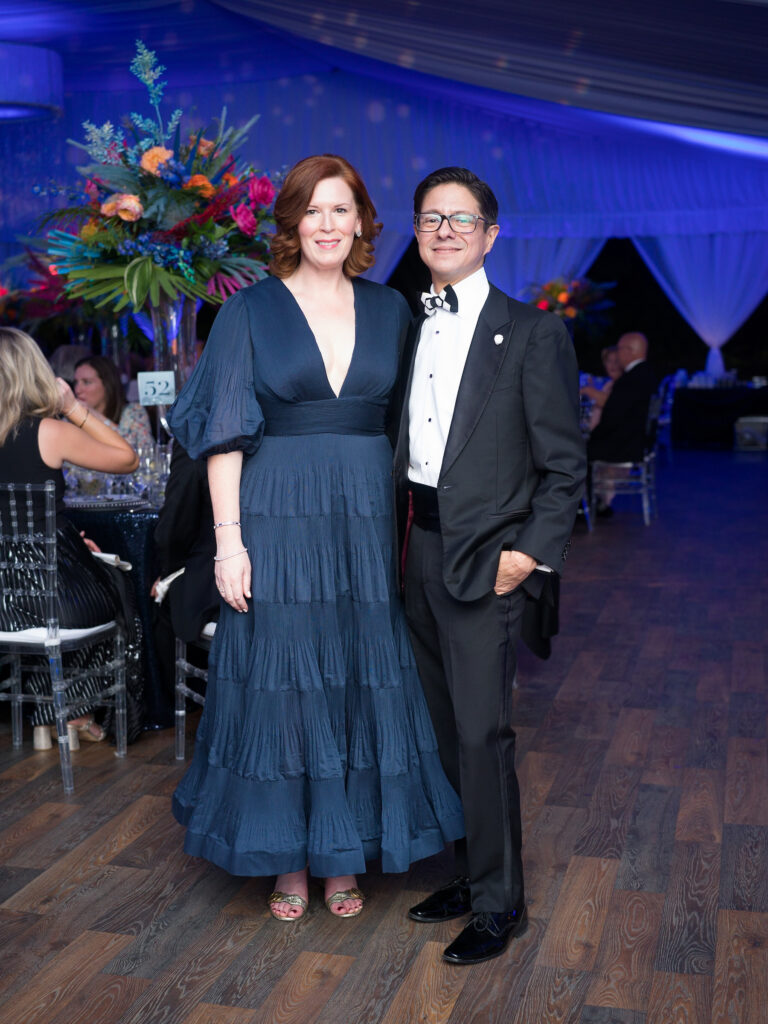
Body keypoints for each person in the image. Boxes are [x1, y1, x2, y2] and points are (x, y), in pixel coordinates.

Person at [166, 154, 464, 923]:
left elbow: (423, 424)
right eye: (313, 211)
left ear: (363, 220)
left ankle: (344, 853)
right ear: (292, 223)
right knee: (288, 678)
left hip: (364, 520)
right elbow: (223, 437)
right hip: (277, 513)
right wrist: (230, 544)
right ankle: (287, 858)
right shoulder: (248, 311)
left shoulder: (394, 311)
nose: (328, 225)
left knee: (359, 674)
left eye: (342, 210)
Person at [392, 167, 585, 965]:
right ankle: (475, 874)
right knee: (442, 735)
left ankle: (502, 905)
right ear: (416, 230)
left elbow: (565, 464)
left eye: (461, 219)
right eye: (431, 218)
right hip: (419, 551)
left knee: (482, 736)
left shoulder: (532, 332)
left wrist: (525, 556)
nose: (444, 231)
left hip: (488, 562)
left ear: (490, 234)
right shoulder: (409, 323)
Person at [0, 327, 139, 746]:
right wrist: (74, 407)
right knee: (115, 592)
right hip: (48, 592)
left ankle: (52, 711)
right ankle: (67, 711)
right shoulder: (47, 432)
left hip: (3, 599)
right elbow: (128, 459)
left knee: (80, 584)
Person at [151, 441, 219, 704]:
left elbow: (172, 532)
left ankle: (169, 705)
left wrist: (165, 572)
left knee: (155, 596)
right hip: (275, 582)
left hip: (221, 586)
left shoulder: (196, 442)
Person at [587, 332, 656, 515]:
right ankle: (590, 504)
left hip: (623, 446)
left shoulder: (631, 379)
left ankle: (584, 506)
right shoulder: (646, 374)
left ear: (629, 351)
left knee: (571, 452)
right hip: (634, 442)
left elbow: (612, 417)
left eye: (618, 350)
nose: (617, 355)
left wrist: (590, 437)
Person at [73, 355, 153, 451]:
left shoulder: (133, 412)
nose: (78, 390)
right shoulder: (72, 418)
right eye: (76, 383)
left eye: (87, 382)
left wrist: (95, 416)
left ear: (107, 385)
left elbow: (142, 451)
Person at [580, 344, 622, 431]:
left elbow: (610, 403)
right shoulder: (608, 384)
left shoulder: (623, 384)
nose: (612, 365)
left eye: (616, 361)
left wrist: (587, 390)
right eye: (609, 361)